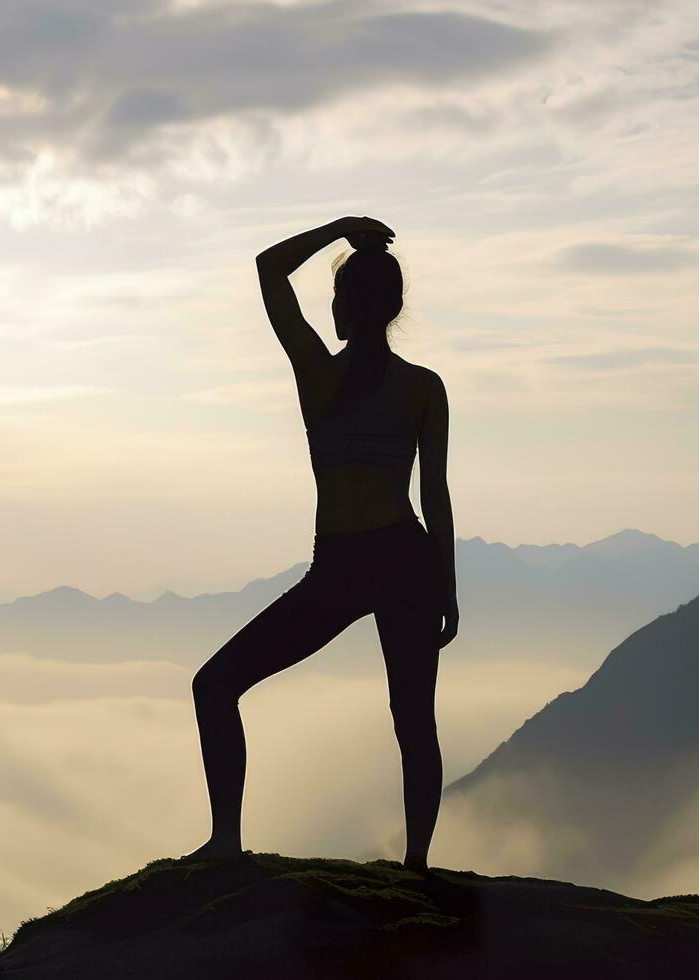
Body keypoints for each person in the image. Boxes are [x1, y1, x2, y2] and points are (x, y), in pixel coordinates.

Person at [186, 215, 459, 872]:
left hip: (347, 564)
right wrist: (447, 584)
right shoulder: (422, 387)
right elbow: (436, 497)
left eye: (337, 298)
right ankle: (416, 863)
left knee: (215, 686)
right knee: (413, 720)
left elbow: (269, 268)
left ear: (352, 307)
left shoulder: (319, 374)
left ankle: (227, 841)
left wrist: (340, 230)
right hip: (402, 559)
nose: (331, 310)